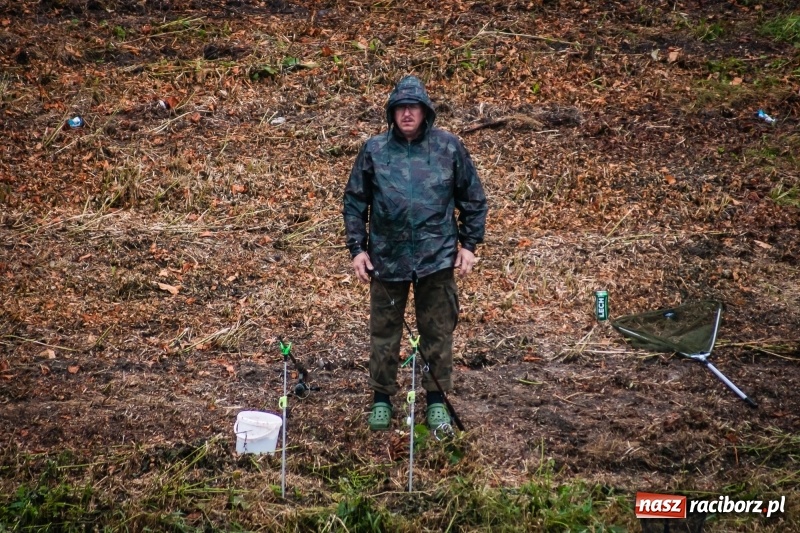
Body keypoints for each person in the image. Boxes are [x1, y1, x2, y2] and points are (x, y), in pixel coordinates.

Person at [342, 75, 488, 431]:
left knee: (438, 331)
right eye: (401, 108)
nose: (407, 114)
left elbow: (473, 198)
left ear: (425, 112)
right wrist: (357, 249)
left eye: (414, 108)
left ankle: (437, 401)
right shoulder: (374, 150)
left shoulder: (449, 147)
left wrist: (469, 244)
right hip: (385, 260)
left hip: (435, 259)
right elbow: (354, 201)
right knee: (384, 333)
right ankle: (381, 400)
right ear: (392, 113)